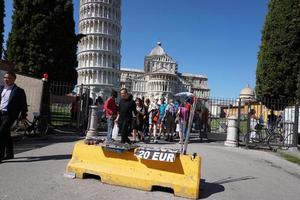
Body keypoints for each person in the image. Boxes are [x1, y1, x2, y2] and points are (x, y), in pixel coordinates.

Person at [0, 71, 28, 162]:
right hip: (0, 113)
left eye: (8, 78)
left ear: (13, 79)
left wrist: (23, 117)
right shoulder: (1, 88)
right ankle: (9, 154)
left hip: (10, 115)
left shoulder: (19, 91)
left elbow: (23, 105)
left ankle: (0, 155)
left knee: (1, 132)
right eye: (5, 77)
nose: (6, 79)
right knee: (6, 134)